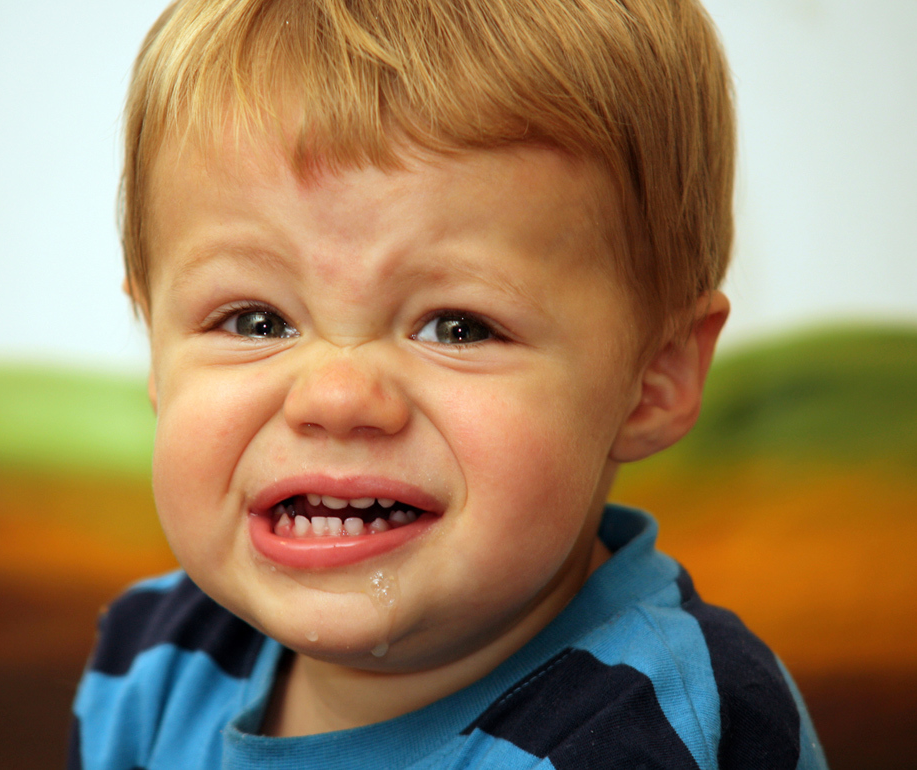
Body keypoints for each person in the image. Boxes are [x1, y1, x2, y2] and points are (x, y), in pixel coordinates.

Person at [69, 0, 827, 767]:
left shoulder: (659, 729)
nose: (334, 398)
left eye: (457, 327)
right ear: (156, 352)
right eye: (255, 322)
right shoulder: (151, 664)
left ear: (654, 377)